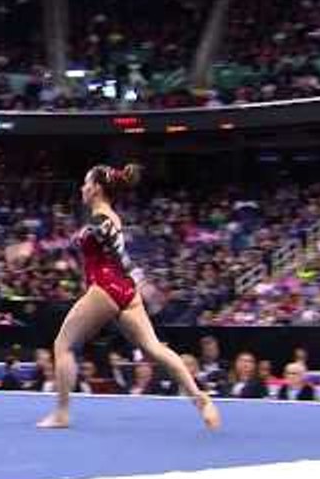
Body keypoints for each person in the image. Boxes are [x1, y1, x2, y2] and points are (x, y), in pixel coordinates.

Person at [38, 163, 220, 430]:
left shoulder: (102, 220)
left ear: (97, 188)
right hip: (124, 290)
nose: (82, 188)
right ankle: (198, 397)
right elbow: (116, 253)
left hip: (105, 287)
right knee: (154, 348)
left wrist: (49, 244)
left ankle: (62, 413)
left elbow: (100, 242)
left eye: (86, 183)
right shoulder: (109, 217)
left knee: (63, 345)